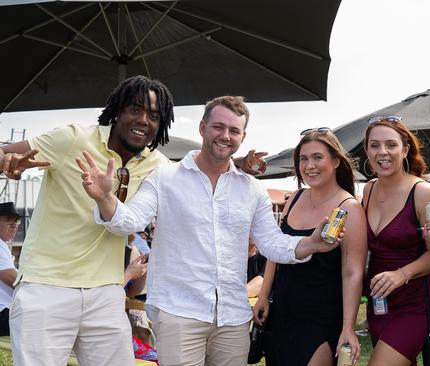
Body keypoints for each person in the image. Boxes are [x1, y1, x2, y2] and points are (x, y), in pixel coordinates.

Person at [0, 76, 266, 366]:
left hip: (106, 291)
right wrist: (7, 163)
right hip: (45, 287)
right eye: (135, 109)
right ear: (118, 110)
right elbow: (8, 154)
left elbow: (198, 170)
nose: (143, 120)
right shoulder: (73, 138)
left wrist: (239, 165)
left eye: (154, 116)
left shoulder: (157, 165)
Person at [77, 96, 343, 366]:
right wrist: (105, 199)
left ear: (243, 136)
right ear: (203, 127)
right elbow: (130, 220)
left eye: (234, 130)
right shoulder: (164, 178)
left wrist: (310, 244)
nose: (225, 136)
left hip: (233, 318)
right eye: (218, 127)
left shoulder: (251, 189)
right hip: (179, 313)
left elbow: (271, 243)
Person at [253, 127, 367, 366]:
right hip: (281, 313)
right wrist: (264, 296)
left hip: (321, 318)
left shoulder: (349, 207)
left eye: (317, 157)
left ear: (335, 161)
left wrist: (348, 327)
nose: (309, 165)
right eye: (303, 159)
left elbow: (352, 272)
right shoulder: (294, 198)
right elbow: (277, 250)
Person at [362, 116, 430, 366]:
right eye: (374, 145)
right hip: (379, 303)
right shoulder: (367, 190)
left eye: (391, 144)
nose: (382, 152)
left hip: (415, 304)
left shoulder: (423, 192)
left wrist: (402, 274)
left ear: (405, 149)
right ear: (366, 150)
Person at [0, 202, 20, 336]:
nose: (14, 225)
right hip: (3, 313)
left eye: (16, 221)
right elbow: (15, 281)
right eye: (8, 220)